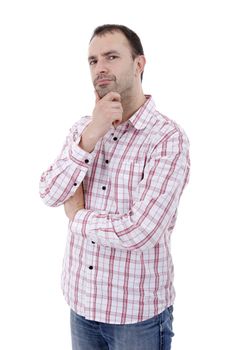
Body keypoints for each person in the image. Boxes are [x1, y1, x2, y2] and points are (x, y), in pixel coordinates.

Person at [39, 24, 190, 350]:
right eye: (93, 60)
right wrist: (91, 136)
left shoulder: (167, 139)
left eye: (111, 56)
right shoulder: (84, 130)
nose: (100, 68)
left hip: (136, 316)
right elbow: (49, 192)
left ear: (139, 64)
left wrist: (77, 216)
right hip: (80, 303)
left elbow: (142, 230)